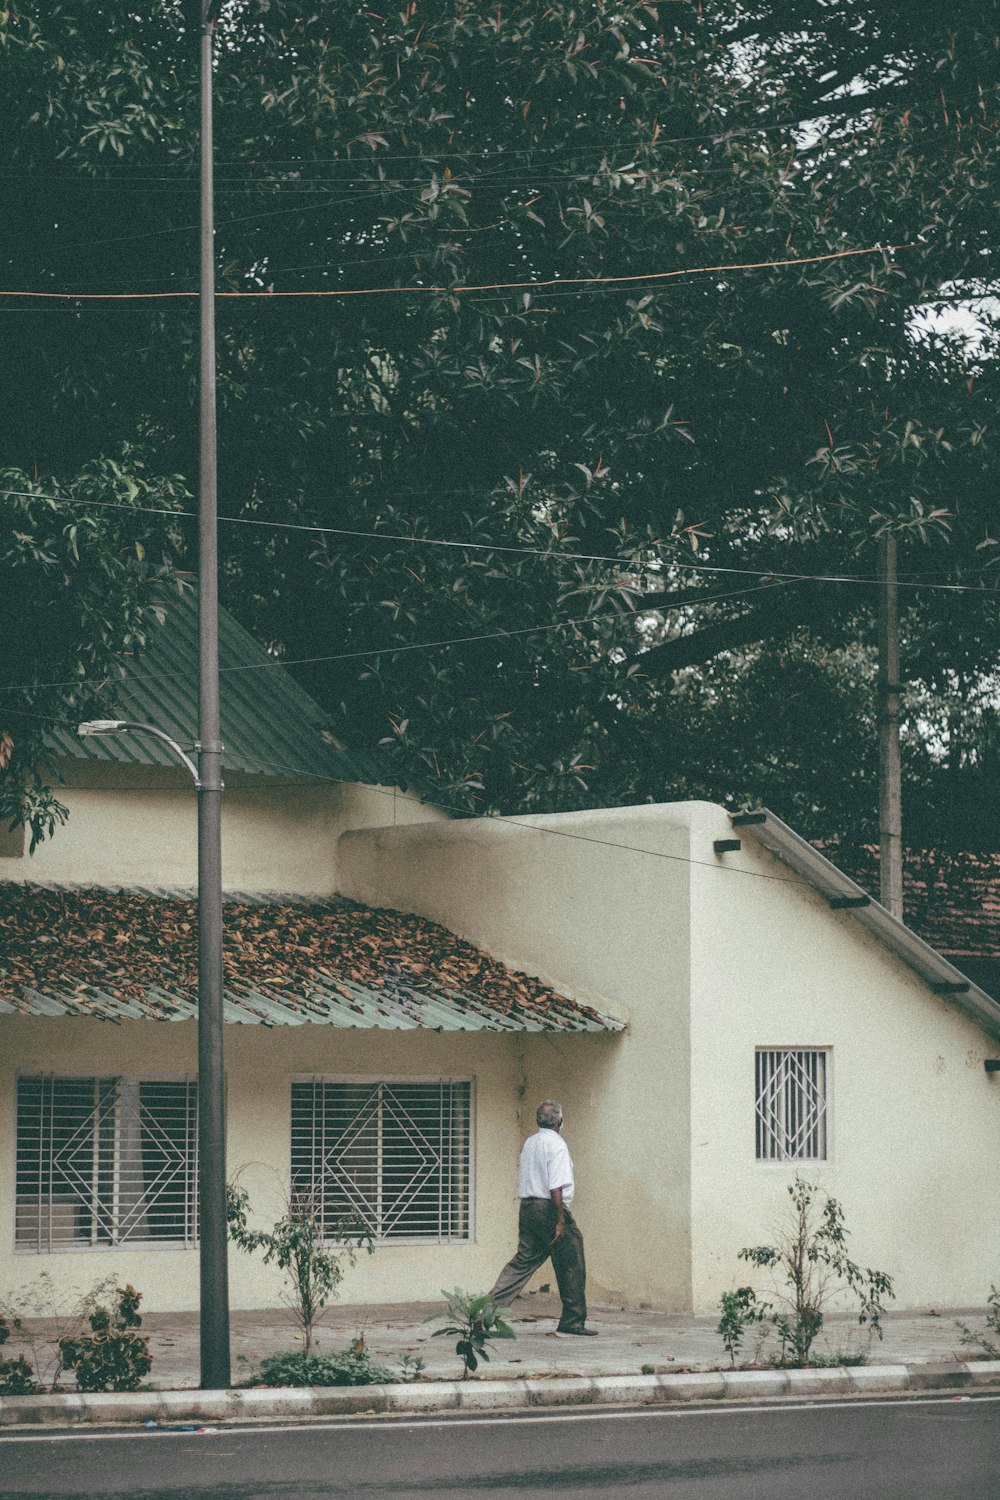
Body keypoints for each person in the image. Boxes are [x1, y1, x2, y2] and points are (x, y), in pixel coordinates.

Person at [488, 1099, 597, 1336]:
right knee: (572, 1259)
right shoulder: (557, 1145)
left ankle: (485, 1314)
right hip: (549, 1208)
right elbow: (555, 1186)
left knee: (522, 1262)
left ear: (539, 1120)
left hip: (528, 1208)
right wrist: (560, 1220)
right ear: (559, 1121)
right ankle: (573, 1321)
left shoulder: (531, 1142)